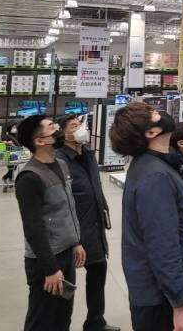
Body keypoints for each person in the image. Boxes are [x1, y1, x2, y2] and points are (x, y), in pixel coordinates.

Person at [110, 103, 183, 331]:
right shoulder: (155, 177)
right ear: (151, 132)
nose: (161, 113)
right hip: (160, 298)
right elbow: (162, 244)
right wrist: (179, 304)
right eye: (154, 114)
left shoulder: (154, 165)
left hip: (160, 292)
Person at [15, 115, 86, 331]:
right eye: (52, 127)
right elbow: (33, 228)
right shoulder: (29, 177)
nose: (58, 130)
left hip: (66, 254)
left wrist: (75, 241)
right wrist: (50, 269)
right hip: (45, 261)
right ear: (39, 141)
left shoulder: (62, 165)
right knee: (42, 320)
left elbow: (66, 208)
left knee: (62, 318)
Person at [55, 115, 118, 331]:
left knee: (98, 273)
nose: (81, 129)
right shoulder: (59, 160)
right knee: (65, 283)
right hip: (71, 232)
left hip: (94, 226)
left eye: (80, 125)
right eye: (74, 126)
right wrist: (73, 239)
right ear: (63, 134)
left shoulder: (89, 155)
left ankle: (95, 322)